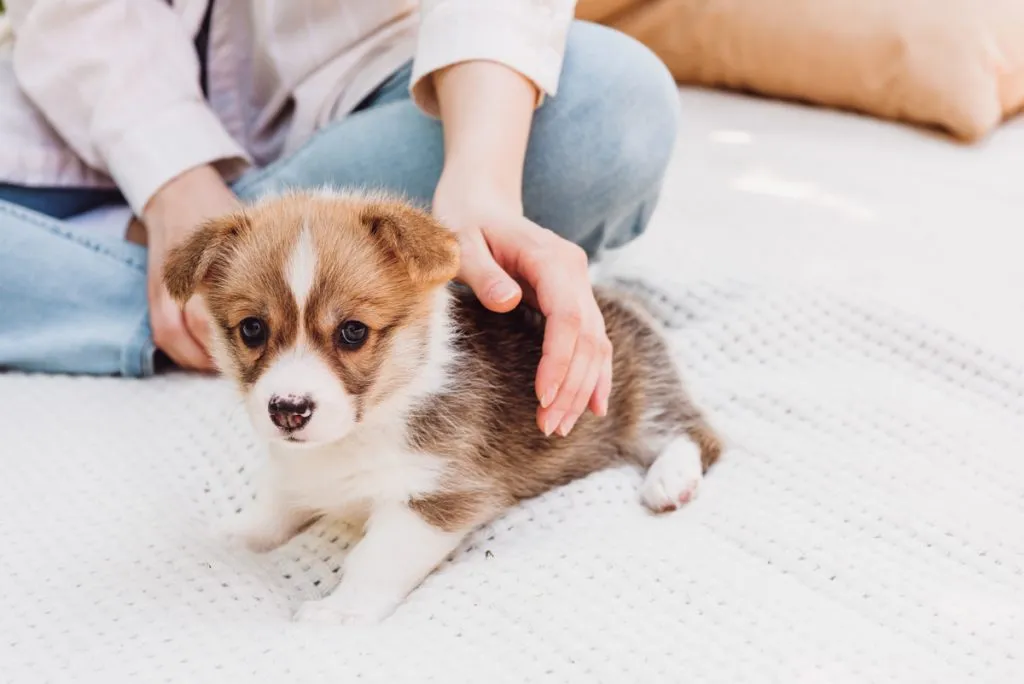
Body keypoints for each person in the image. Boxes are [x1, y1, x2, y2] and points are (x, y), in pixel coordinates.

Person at [0, 0, 679, 438]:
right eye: (254, 329)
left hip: (368, 95)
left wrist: (482, 183)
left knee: (610, 107)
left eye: (353, 331)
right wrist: (175, 183)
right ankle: (201, 271)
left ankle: (196, 281)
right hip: (78, 106)